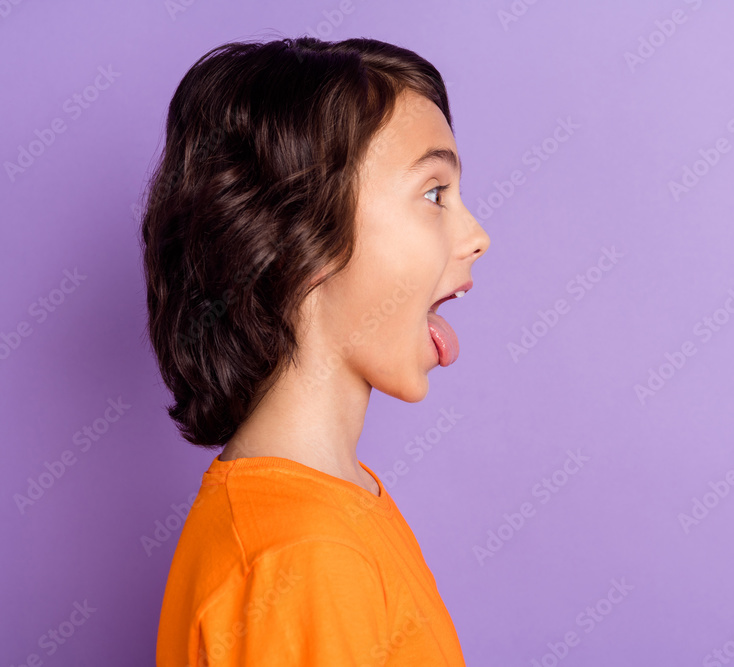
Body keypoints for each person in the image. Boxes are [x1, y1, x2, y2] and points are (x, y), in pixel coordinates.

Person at [142, 35, 490, 665]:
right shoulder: (304, 558)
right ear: (301, 239)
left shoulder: (338, 502)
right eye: (435, 193)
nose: (476, 236)